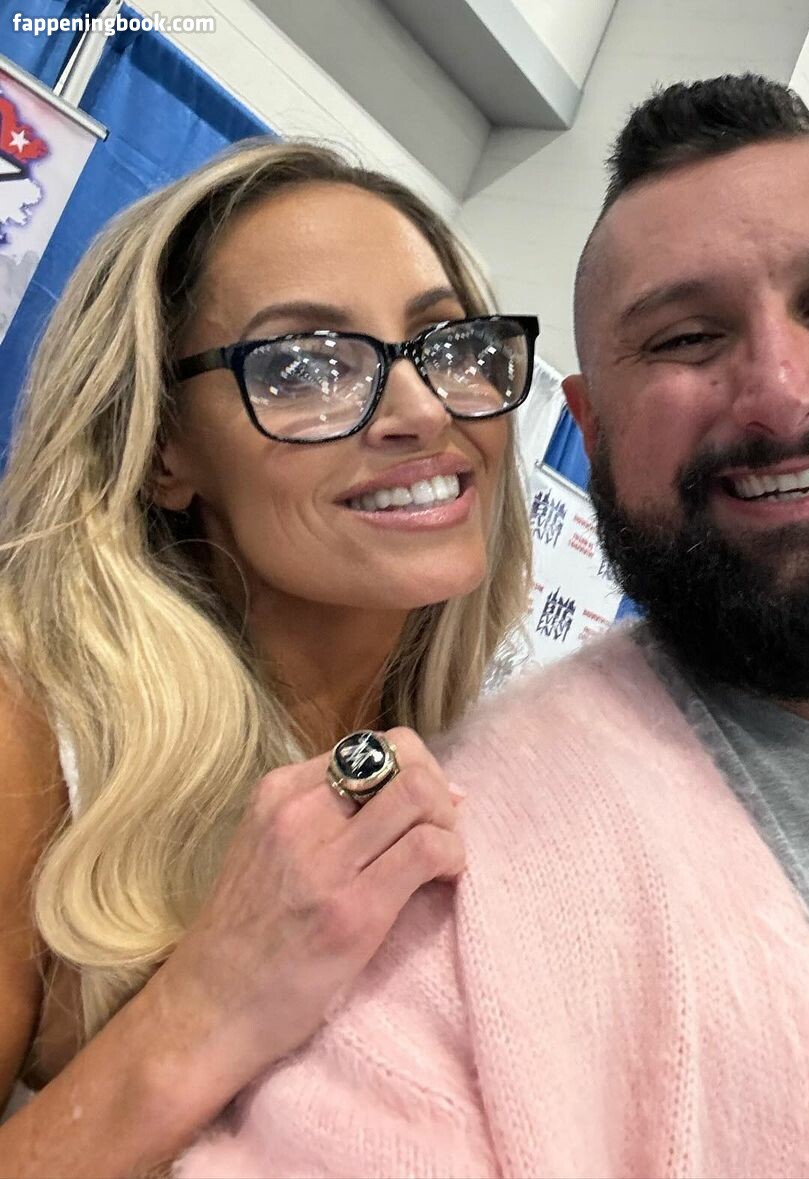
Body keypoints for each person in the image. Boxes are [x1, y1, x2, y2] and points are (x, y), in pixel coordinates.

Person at [179, 76, 809, 1179]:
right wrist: (189, 1022)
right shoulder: (461, 909)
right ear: (592, 428)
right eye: (688, 338)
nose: (782, 391)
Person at [0, 138, 535, 1177]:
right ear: (166, 448)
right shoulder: (31, 737)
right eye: (304, 367)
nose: (424, 411)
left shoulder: (499, 769)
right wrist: (205, 1006)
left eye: (446, 345)